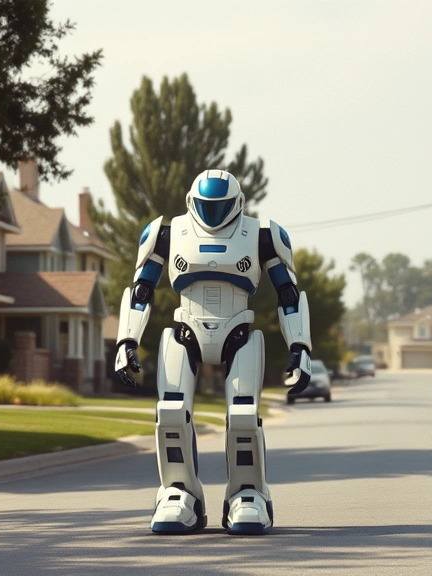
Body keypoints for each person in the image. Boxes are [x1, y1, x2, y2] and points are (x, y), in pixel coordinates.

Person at [114, 169, 313, 535]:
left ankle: (248, 492)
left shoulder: (262, 234)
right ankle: (178, 492)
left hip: (239, 331)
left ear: (237, 204)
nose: (213, 214)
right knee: (171, 412)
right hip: (184, 330)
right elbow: (141, 290)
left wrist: (300, 348)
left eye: (220, 207)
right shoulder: (167, 233)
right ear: (192, 202)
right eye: (206, 207)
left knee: (243, 416)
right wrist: (126, 341)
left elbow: (289, 296)